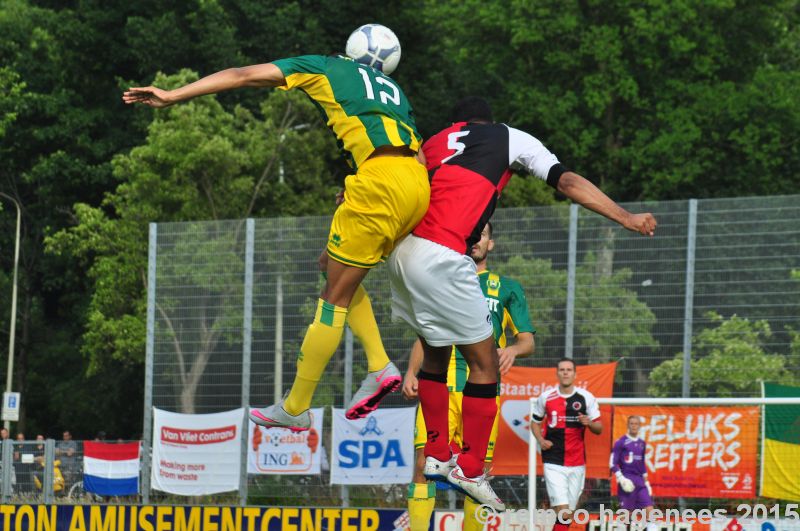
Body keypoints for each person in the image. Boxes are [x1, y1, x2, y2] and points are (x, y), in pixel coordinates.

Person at [123, 27, 429, 430]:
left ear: (351, 48)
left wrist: (172, 95)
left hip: (379, 182)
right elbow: (420, 155)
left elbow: (240, 75)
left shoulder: (325, 66)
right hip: (415, 183)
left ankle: (298, 406)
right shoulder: (394, 92)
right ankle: (378, 365)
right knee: (330, 264)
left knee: (333, 297)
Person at [387, 96, 655, 509]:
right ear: (489, 121)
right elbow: (566, 182)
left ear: (459, 121)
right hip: (443, 253)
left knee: (437, 352)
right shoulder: (509, 137)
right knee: (485, 364)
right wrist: (625, 217)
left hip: (403, 254)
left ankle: (439, 455)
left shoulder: (436, 140)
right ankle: (471, 468)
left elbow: (400, 187)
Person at [403, 221, 535, 530]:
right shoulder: (442, 280)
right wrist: (411, 371)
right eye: (470, 233)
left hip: (483, 391)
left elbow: (527, 340)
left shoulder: (507, 288)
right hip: (443, 387)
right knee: (423, 465)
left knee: (476, 472)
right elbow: (427, 333)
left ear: (491, 244)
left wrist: (514, 350)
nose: (475, 239)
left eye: (482, 234)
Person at [531, 358, 602, 531]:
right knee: (563, 512)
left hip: (577, 461)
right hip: (553, 460)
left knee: (568, 514)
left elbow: (599, 428)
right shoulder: (546, 397)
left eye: (569, 370)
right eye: (562, 370)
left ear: (575, 374)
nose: (565, 372)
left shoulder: (586, 398)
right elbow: (535, 422)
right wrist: (541, 440)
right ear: (557, 373)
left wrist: (589, 423)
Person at [611, 416, 656, 528]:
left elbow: (641, 463)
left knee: (650, 512)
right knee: (626, 516)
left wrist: (646, 482)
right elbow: (612, 463)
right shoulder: (620, 442)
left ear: (639, 426)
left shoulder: (642, 443)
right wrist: (621, 478)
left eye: (636, 424)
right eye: (631, 423)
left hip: (640, 482)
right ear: (628, 425)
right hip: (627, 480)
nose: (634, 426)